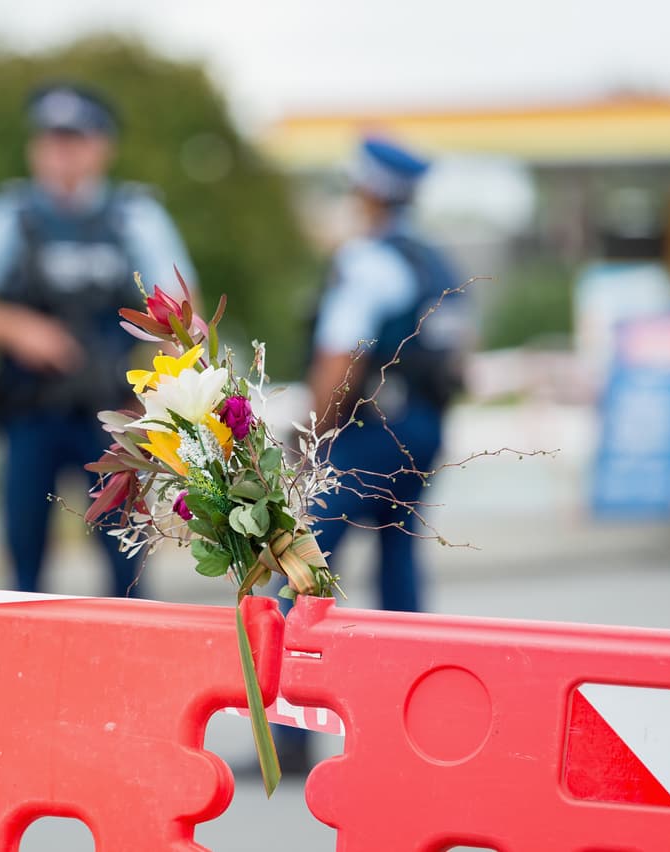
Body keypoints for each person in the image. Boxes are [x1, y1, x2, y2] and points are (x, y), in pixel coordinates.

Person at [0, 82, 196, 597]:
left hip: (113, 417)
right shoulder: (10, 216)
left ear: (102, 147)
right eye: (50, 140)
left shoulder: (135, 217)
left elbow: (185, 322)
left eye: (73, 141)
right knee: (23, 571)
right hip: (30, 416)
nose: (60, 153)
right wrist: (18, 328)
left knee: (128, 571)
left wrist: (163, 407)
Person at [273, 135, 471, 773]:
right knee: (399, 570)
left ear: (367, 191)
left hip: (367, 433)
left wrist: (307, 442)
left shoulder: (368, 262)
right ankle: (409, 729)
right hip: (420, 430)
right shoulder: (435, 263)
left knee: (300, 569)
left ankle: (290, 730)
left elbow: (338, 362)